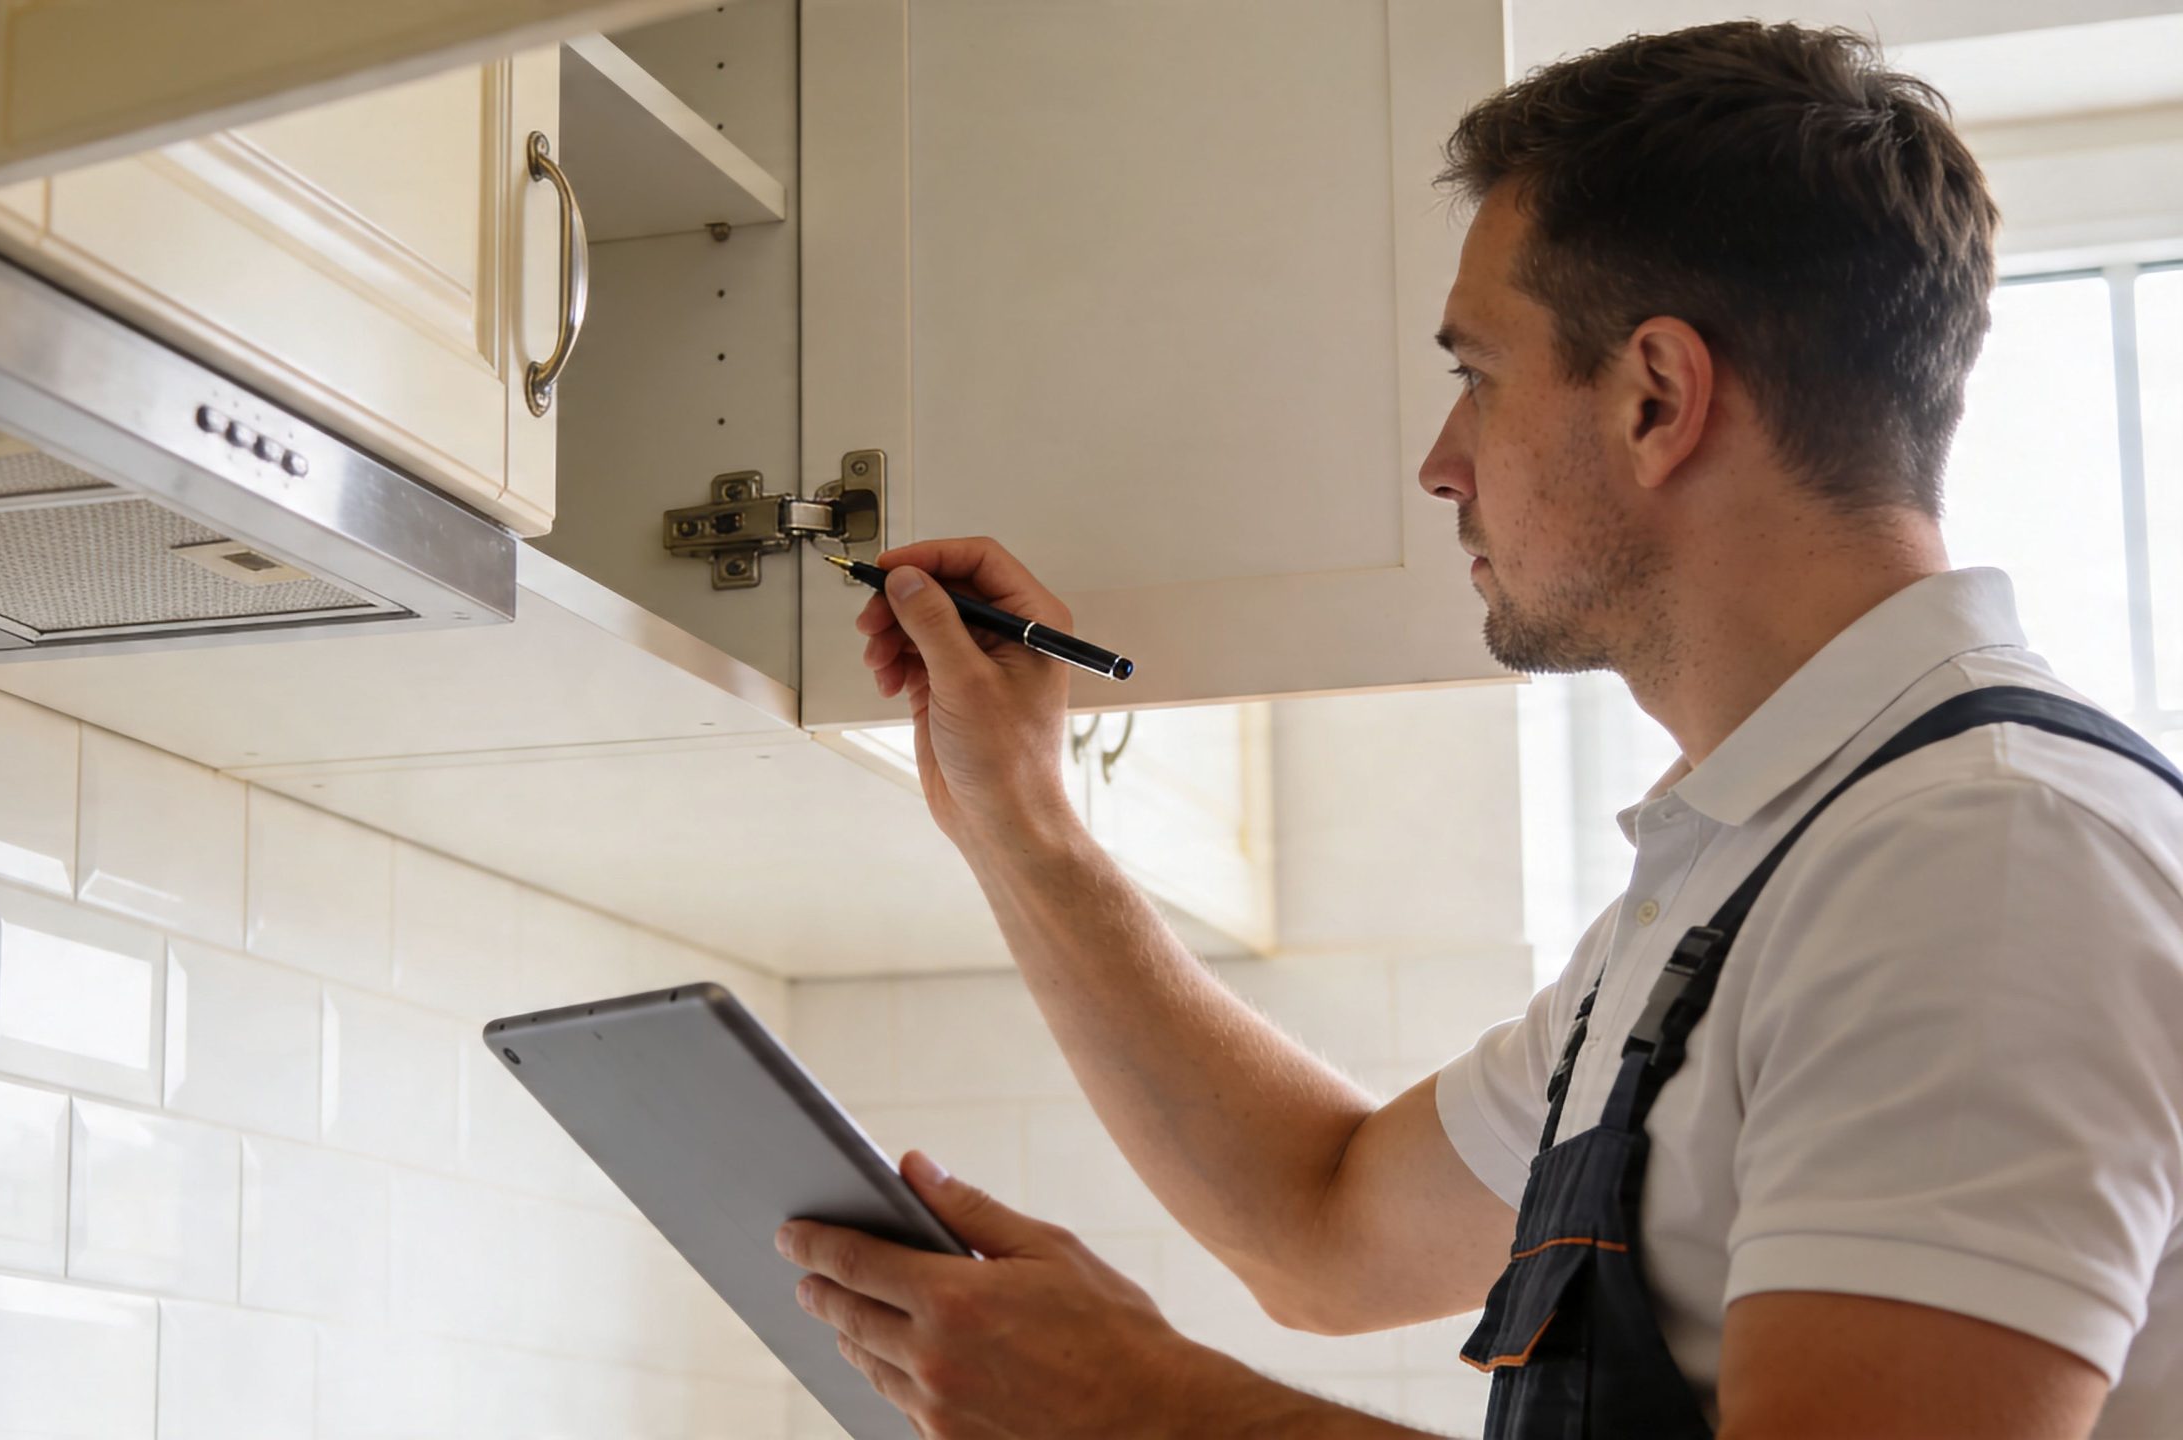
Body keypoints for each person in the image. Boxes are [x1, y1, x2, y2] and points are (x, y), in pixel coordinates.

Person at [770, 19, 2183, 1440]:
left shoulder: (1976, 862)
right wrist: (1020, 819)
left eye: (1476, 372)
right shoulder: (1756, 871)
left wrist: (1139, 1409)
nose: (1441, 464)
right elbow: (1321, 1231)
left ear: (1656, 399)